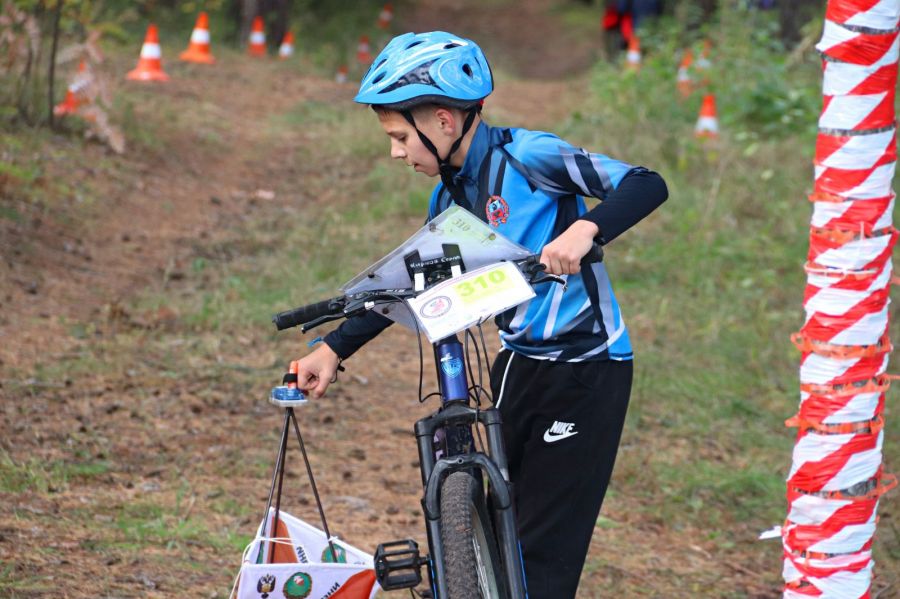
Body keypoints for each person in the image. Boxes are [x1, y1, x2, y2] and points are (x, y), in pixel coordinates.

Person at [291, 31, 667, 599]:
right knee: (499, 528)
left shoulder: (530, 156)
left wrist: (586, 228)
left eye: (399, 137)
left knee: (541, 550)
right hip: (517, 366)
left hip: (586, 368)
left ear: (443, 121)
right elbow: (416, 283)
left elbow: (645, 183)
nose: (396, 153)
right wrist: (333, 347)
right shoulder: (449, 200)